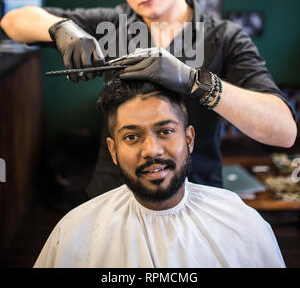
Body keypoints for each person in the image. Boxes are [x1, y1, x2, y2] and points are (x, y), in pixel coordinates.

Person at [0, 0, 297, 196]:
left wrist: (193, 80)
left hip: (196, 199)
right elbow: (12, 21)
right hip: (114, 196)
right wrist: (59, 28)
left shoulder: (225, 39)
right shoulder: (110, 26)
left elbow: (283, 131)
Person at [33, 78, 285, 268]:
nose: (151, 150)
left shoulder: (242, 223)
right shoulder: (75, 232)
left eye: (165, 131)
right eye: (132, 137)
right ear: (113, 150)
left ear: (189, 139)